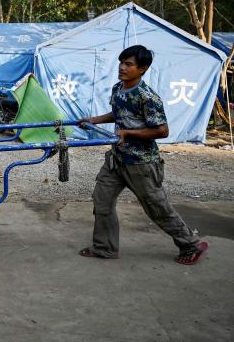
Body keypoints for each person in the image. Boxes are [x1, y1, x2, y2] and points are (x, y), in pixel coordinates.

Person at [78, 45, 208, 265]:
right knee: (102, 202)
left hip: (142, 164)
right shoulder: (118, 88)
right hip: (117, 159)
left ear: (143, 68)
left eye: (128, 64)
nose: (122, 68)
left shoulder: (147, 97)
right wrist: (95, 120)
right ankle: (105, 248)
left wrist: (129, 132)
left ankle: (191, 244)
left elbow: (162, 130)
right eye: (121, 63)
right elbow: (119, 112)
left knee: (157, 208)